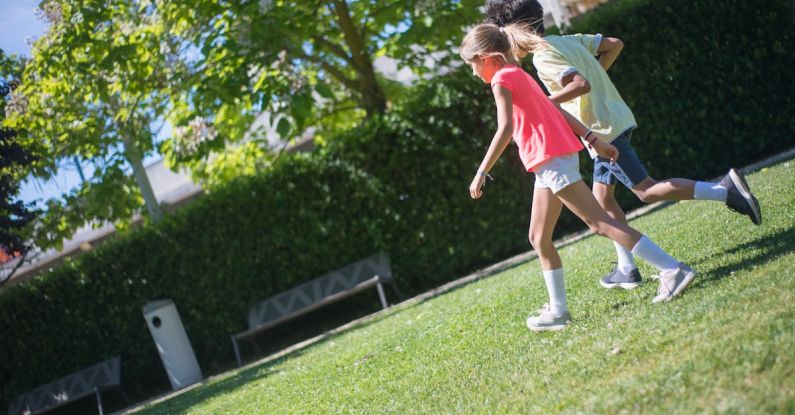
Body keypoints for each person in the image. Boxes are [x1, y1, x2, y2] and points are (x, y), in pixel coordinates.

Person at [483, 0, 761, 290]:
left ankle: (725, 191)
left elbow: (580, 84)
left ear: (520, 28)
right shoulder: (568, 40)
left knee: (646, 190)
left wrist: (546, 104)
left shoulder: (543, 56)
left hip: (605, 130)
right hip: (614, 119)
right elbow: (614, 44)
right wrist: (596, 75)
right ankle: (627, 268)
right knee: (603, 200)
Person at [461, 23, 697, 332]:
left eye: (472, 64)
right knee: (538, 237)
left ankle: (672, 269)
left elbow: (505, 128)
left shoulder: (502, 79)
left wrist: (481, 172)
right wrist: (594, 139)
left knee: (600, 223)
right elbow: (555, 111)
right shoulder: (519, 74)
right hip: (549, 160)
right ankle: (559, 311)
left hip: (551, 159)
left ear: (485, 57)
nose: (473, 72)